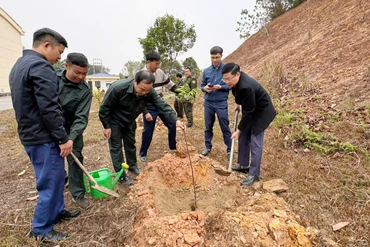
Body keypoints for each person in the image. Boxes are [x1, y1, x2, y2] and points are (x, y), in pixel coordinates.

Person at [9, 28, 79, 242]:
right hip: (43, 137)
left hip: (31, 135)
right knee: (50, 182)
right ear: (46, 45)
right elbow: (49, 107)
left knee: (56, 178)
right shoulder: (41, 66)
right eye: (59, 51)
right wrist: (62, 138)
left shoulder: (19, 65)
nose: (60, 57)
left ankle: (57, 212)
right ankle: (41, 229)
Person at [99, 70, 185, 185]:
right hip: (115, 121)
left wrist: (175, 120)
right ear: (135, 82)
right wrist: (106, 126)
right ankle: (122, 176)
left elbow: (162, 105)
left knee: (130, 144)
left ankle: (132, 166)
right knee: (116, 148)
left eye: (148, 90)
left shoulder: (149, 92)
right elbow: (104, 108)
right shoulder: (118, 88)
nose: (145, 93)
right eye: (142, 89)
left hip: (130, 120)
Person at [221, 63, 276, 186]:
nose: (227, 82)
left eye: (229, 79)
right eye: (224, 79)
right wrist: (238, 103)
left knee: (255, 141)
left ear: (238, 74)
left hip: (261, 112)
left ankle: (254, 174)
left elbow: (249, 113)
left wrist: (238, 130)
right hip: (250, 108)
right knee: (243, 137)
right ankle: (243, 165)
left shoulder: (246, 86)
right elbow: (239, 95)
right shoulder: (235, 82)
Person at [57, 53, 92, 209]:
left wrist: (70, 139)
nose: (81, 76)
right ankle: (59, 186)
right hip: (50, 126)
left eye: (84, 73)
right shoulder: (52, 78)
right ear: (66, 66)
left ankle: (78, 193)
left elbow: (81, 118)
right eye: (77, 72)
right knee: (53, 159)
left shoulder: (85, 90)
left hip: (72, 128)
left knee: (76, 157)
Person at [139, 51, 179, 162]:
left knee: (172, 123)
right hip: (148, 105)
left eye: (159, 64)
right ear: (148, 62)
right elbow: (138, 97)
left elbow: (170, 85)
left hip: (160, 102)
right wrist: (145, 111)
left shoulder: (160, 73)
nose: (158, 66)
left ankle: (173, 147)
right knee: (148, 130)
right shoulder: (141, 74)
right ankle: (142, 153)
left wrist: (181, 91)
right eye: (156, 64)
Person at [200, 46, 231, 158]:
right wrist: (205, 89)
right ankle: (207, 147)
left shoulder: (227, 70)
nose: (214, 60)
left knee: (225, 127)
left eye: (217, 57)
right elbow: (202, 85)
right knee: (208, 126)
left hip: (221, 102)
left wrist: (220, 87)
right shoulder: (206, 71)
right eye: (212, 57)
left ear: (221, 56)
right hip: (208, 103)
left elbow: (230, 85)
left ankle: (229, 150)